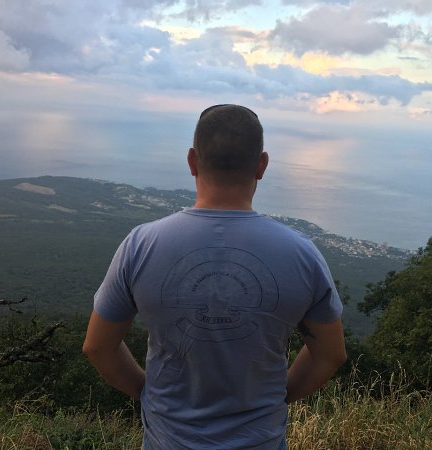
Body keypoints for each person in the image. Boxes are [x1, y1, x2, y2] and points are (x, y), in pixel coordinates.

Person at [83, 104, 347, 450]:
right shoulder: (302, 255)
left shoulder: (141, 245)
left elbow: (98, 346)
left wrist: (147, 393)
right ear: (262, 165)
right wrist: (278, 397)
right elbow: (330, 354)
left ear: (192, 161)